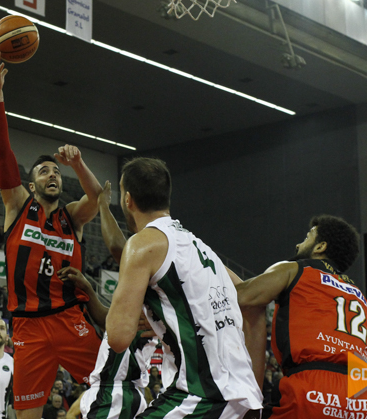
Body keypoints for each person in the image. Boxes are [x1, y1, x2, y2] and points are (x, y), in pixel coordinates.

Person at [0, 49, 102, 419]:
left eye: (56, 171)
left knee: (112, 388)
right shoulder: (17, 206)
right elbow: (3, 153)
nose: (52, 174)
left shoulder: (72, 217)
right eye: (44, 171)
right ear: (31, 183)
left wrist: (78, 164)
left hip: (71, 318)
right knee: (27, 415)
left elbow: (96, 197)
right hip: (28, 326)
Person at [105, 157, 262, 418]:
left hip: (202, 399)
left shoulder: (141, 245)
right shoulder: (202, 249)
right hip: (246, 401)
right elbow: (252, 299)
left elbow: (118, 337)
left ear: (128, 200)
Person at [235, 215, 367, 419]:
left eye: (307, 237)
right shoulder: (359, 299)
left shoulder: (294, 269)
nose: (298, 245)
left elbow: (241, 297)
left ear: (320, 247)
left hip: (312, 391)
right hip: (366, 398)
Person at [60, 181, 159, 419]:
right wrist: (88, 289)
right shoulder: (141, 302)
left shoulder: (150, 280)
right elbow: (110, 320)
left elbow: (118, 247)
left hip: (115, 393)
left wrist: (103, 205)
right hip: (119, 393)